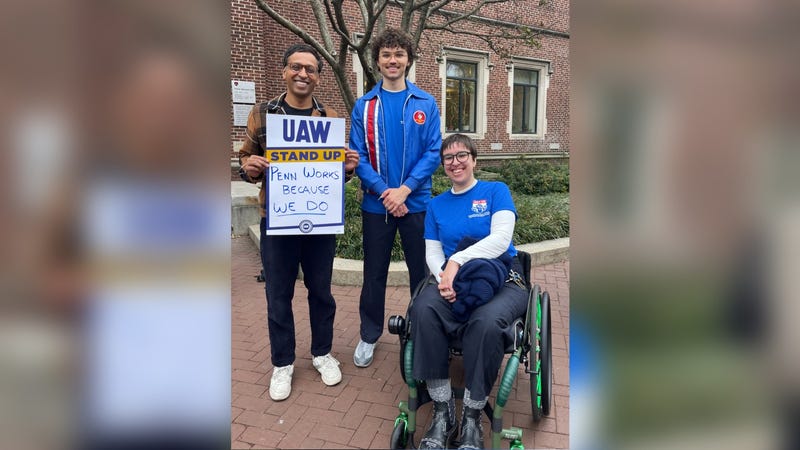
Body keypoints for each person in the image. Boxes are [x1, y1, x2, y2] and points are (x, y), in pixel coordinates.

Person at [238, 43, 360, 401]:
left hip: (319, 222)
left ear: (318, 77)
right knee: (278, 294)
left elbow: (333, 175)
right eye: (296, 67)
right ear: (284, 71)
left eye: (310, 69)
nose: (302, 74)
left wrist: (347, 170)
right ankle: (283, 362)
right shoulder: (263, 114)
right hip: (276, 220)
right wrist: (249, 168)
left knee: (321, 292)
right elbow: (245, 159)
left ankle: (322, 353)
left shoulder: (329, 116)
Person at [409, 134, 528, 449]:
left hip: (501, 277)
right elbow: (433, 252)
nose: (455, 162)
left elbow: (501, 240)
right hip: (453, 278)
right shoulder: (436, 205)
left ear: (474, 160)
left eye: (462, 154)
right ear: (443, 166)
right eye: (448, 157)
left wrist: (457, 261)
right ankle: (442, 409)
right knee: (423, 309)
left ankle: (473, 415)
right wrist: (444, 278)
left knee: (486, 322)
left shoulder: (495, 191)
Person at [349, 28, 442, 368]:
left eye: (399, 54)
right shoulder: (365, 106)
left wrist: (404, 190)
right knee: (374, 273)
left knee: (422, 272)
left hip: (416, 204)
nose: (393, 60)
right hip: (377, 206)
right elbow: (356, 155)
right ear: (377, 61)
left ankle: (420, 331)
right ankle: (369, 334)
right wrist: (386, 193)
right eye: (386, 54)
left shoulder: (425, 103)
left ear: (408, 60)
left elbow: (433, 152)